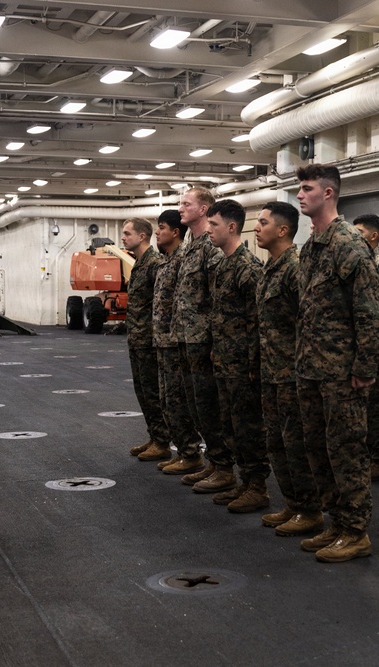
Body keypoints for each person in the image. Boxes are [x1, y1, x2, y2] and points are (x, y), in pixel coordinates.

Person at [295, 164, 379, 563]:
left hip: (341, 371)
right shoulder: (312, 245)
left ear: (328, 193)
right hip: (311, 366)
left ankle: (355, 531)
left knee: (347, 451)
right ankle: (336, 522)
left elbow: (369, 311)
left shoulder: (348, 243)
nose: (300, 195)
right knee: (318, 449)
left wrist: (364, 367)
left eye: (307, 188)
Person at [255, 201, 323, 535]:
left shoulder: (295, 268)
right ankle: (293, 504)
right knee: (276, 443)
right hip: (272, 370)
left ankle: (310, 509)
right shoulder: (271, 266)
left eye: (263, 222)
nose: (257, 228)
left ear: (283, 230)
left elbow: (309, 323)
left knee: (297, 444)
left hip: (292, 374)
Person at [208, 199, 270, 512]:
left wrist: (254, 364)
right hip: (224, 361)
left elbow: (257, 322)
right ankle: (243, 481)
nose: (208, 230)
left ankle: (257, 487)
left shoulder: (248, 268)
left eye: (214, 224)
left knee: (248, 427)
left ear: (232, 227)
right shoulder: (223, 265)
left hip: (243, 365)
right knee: (230, 426)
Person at [172, 187, 233, 493]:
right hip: (186, 337)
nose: (180, 208)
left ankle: (224, 467)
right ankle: (213, 462)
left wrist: (215, 343)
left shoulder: (211, 246)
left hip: (203, 341)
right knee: (196, 406)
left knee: (210, 407)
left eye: (186, 203)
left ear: (204, 209)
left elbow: (219, 297)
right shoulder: (189, 245)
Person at [150, 210, 206, 475]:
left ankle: (191, 453)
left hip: (176, 342)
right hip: (163, 340)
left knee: (178, 401)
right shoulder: (166, 260)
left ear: (175, 232)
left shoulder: (183, 258)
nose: (157, 232)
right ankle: (183, 451)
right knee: (167, 400)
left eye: (161, 227)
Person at [122, 218, 174, 462]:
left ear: (142, 236)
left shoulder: (154, 263)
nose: (123, 238)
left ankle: (162, 441)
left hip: (150, 341)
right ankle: (154, 437)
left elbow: (162, 304)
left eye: (127, 233)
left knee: (153, 392)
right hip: (137, 339)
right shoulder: (139, 263)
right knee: (142, 391)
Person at [352, 214, 379, 481]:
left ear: (373, 236)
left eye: (358, 232)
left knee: (375, 406)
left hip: (376, 347)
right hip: (356, 347)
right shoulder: (355, 259)